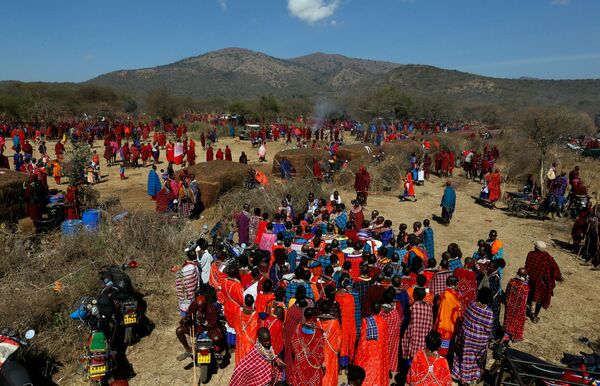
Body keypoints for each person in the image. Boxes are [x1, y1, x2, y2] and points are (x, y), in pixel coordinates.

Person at [452, 288, 494, 385]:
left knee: (463, 356)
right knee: (472, 359)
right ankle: (466, 379)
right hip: (478, 341)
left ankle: (460, 375)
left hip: (466, 337)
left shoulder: (472, 305)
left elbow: (464, 318)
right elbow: (488, 329)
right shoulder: (489, 313)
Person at [176, 295, 224, 361]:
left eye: (202, 307)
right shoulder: (193, 305)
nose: (200, 309)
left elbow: (213, 325)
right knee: (179, 330)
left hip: (210, 329)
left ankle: (217, 352)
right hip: (196, 327)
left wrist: (203, 322)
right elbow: (187, 317)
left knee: (216, 338)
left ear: (205, 303)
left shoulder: (211, 308)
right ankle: (189, 350)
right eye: (198, 307)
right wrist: (186, 319)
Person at [524, 241, 562, 323]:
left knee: (529, 295)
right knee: (540, 299)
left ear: (535, 248)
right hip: (540, 283)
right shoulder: (547, 258)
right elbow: (554, 268)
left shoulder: (530, 254)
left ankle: (529, 309)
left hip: (530, 280)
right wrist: (556, 277)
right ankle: (535, 316)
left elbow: (527, 266)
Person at [354, 302, 390, 386]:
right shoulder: (384, 322)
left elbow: (362, 340)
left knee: (368, 370)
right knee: (378, 371)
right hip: (379, 353)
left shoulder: (365, 321)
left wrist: (359, 354)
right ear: (380, 310)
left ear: (371, 309)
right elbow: (385, 340)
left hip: (368, 353)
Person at [288, 307, 325, 386]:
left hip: (300, 364)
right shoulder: (318, 332)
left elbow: (293, 347)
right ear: (312, 317)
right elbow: (321, 353)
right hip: (313, 366)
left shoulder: (298, 328)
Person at [434, 275, 462, 356]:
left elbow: (438, 304)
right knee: (450, 344)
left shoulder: (445, 294)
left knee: (441, 348)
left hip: (443, 324)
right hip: (453, 324)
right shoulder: (458, 294)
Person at [402, 288, 433, 360]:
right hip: (425, 335)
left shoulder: (413, 306)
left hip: (414, 335)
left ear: (415, 296)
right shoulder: (429, 306)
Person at [316, 300, 342, 386]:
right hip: (331, 353)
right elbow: (339, 339)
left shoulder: (317, 322)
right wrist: (337, 351)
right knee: (330, 374)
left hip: (318, 353)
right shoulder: (335, 322)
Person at [503, 268, 529, 342]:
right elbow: (524, 300)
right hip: (519, 307)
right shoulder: (525, 287)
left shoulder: (511, 281)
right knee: (517, 321)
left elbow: (507, 292)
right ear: (525, 275)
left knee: (508, 319)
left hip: (510, 305)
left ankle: (506, 333)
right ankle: (514, 336)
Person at [175, 249, 200, 315]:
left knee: (184, 309)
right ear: (195, 256)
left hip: (183, 293)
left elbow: (179, 278)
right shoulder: (192, 267)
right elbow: (194, 281)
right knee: (190, 309)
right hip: (190, 293)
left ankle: (185, 320)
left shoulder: (185, 266)